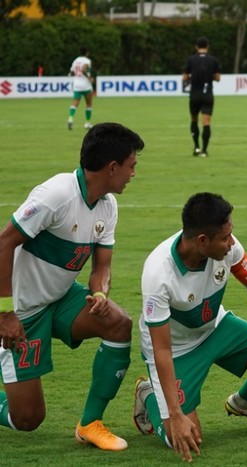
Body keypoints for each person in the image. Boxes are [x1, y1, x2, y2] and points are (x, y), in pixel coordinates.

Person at [0, 123, 144, 451]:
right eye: (132, 165)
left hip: (62, 297)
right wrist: (4, 312)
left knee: (118, 322)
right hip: (23, 311)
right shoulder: (56, 194)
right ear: (112, 167)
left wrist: (100, 293)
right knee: (27, 419)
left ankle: (90, 424)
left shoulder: (108, 206)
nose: (133, 173)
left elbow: (102, 267)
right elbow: (3, 243)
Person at [133, 192, 247, 462]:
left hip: (216, 329)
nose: (231, 242)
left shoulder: (226, 246)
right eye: (225, 237)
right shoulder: (158, 274)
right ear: (202, 241)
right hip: (176, 350)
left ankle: (244, 403)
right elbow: (161, 349)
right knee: (188, 437)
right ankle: (149, 394)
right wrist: (174, 414)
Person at [182, 37, 222, 158]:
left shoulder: (191, 60)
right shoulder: (214, 60)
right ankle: (204, 150)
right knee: (206, 123)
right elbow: (218, 78)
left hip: (194, 95)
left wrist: (192, 78)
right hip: (207, 95)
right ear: (207, 46)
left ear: (196, 47)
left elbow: (184, 78)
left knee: (194, 120)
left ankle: (196, 147)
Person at [67, 47, 94, 130]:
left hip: (77, 84)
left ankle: (70, 118)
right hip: (85, 84)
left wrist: (72, 74)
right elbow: (83, 69)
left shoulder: (76, 60)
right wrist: (89, 78)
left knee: (75, 102)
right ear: (87, 53)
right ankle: (87, 123)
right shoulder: (87, 61)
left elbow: (71, 72)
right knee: (88, 103)